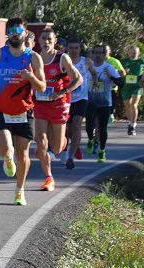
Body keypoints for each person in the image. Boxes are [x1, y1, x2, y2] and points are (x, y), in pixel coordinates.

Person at [0, 18, 46, 206]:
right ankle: (7, 157)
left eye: (18, 30)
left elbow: (42, 87)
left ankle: (19, 190)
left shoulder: (33, 57)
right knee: (4, 149)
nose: (15, 34)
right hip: (1, 107)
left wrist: (31, 76)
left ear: (25, 33)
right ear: (7, 33)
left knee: (22, 153)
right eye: (11, 30)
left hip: (23, 110)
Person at [32, 27, 82, 191]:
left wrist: (62, 92)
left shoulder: (62, 59)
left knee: (57, 147)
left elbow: (78, 79)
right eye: (43, 38)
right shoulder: (34, 58)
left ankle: (63, 143)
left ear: (55, 41)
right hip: (40, 104)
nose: (46, 42)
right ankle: (49, 177)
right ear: (38, 41)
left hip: (58, 105)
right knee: (41, 141)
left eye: (49, 39)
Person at [84, 44, 125, 162]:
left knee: (102, 128)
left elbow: (122, 84)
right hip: (90, 101)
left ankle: (102, 150)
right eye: (95, 53)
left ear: (104, 54)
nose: (97, 55)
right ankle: (91, 140)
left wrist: (112, 77)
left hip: (104, 103)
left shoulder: (109, 67)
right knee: (89, 125)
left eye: (100, 53)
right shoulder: (88, 67)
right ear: (92, 54)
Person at [65, 38, 91, 169]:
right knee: (68, 130)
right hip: (67, 98)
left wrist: (96, 83)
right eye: (71, 48)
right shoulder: (64, 61)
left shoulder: (86, 61)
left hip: (81, 98)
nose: (74, 51)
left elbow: (94, 73)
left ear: (80, 49)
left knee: (76, 125)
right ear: (67, 49)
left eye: (76, 48)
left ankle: (70, 156)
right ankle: (76, 146)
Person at [120, 45, 144, 136]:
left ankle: (133, 125)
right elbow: (119, 73)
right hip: (126, 86)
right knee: (127, 106)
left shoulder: (142, 61)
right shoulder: (123, 61)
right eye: (131, 52)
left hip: (137, 86)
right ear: (128, 52)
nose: (133, 54)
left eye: (135, 52)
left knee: (134, 104)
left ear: (138, 53)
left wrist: (143, 80)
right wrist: (124, 72)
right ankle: (130, 123)